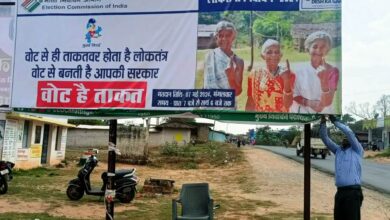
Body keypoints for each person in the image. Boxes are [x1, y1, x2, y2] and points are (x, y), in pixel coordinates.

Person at [319, 115, 364, 220]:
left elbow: (349, 133)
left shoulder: (357, 150)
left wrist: (335, 121)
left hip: (353, 193)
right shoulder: (338, 151)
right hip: (340, 192)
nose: (344, 138)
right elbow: (325, 138)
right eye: (343, 138)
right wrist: (323, 123)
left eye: (347, 138)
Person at [290, 31, 339, 113]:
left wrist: (324, 82)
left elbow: (328, 102)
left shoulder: (333, 71)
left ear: (327, 50)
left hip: (324, 115)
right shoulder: (298, 69)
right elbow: (293, 94)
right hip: (302, 114)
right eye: (315, 47)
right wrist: (310, 103)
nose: (318, 50)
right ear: (308, 49)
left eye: (323, 47)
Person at [245, 39, 295, 112]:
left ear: (280, 55)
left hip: (280, 120)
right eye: (269, 52)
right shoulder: (254, 74)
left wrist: (286, 80)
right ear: (263, 56)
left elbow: (288, 104)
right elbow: (250, 101)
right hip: (260, 119)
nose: (273, 55)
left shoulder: (289, 74)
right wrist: (247, 119)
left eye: (277, 52)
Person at [203, 21, 244, 97]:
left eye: (228, 35)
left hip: (227, 106)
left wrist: (230, 77)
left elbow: (238, 92)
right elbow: (206, 84)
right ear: (216, 37)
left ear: (233, 37)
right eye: (220, 35)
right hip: (208, 104)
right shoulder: (209, 56)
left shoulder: (238, 61)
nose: (224, 39)